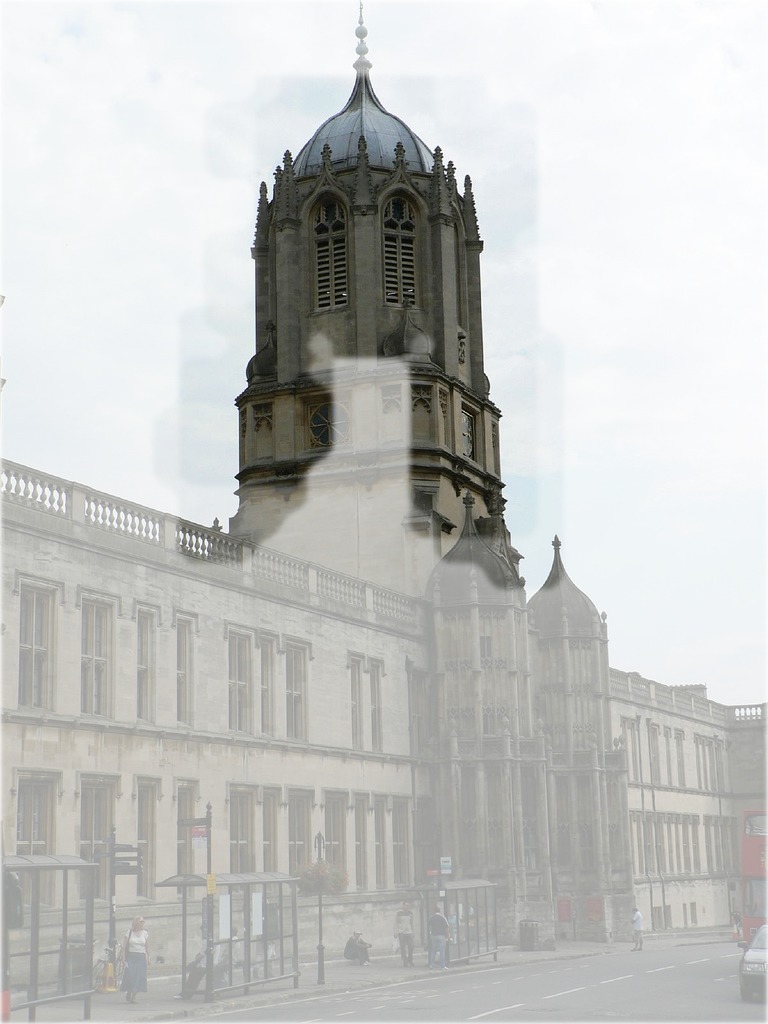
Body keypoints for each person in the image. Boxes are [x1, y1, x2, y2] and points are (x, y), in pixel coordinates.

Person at [121, 915, 150, 1003]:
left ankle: (133, 997)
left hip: (141, 957)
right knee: (130, 975)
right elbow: (124, 946)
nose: (142, 923)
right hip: (131, 956)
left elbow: (147, 946)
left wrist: (148, 957)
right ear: (136, 922)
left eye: (143, 921)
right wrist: (123, 957)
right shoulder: (129, 932)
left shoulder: (145, 933)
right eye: (141, 921)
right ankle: (129, 991)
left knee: (139, 977)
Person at [394, 900, 415, 967]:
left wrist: (413, 932)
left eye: (408, 905)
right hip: (401, 932)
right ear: (403, 906)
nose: (407, 907)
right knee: (403, 948)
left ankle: (410, 960)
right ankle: (405, 961)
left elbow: (411, 923)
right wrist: (396, 931)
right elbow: (396, 923)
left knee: (411, 947)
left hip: (409, 932)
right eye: (406, 905)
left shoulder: (410, 913)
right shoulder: (399, 913)